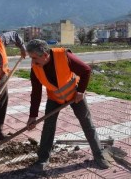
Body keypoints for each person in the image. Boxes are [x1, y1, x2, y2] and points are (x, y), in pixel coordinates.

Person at [25, 39, 110, 172]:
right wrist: (32, 116)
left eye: (34, 58)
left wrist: (81, 91)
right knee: (48, 127)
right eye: (31, 58)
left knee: (87, 123)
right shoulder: (35, 67)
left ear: (45, 55)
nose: (33, 61)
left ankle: (99, 155)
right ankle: (42, 160)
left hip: (74, 95)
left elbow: (86, 70)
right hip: (54, 98)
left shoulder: (64, 56)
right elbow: (36, 92)